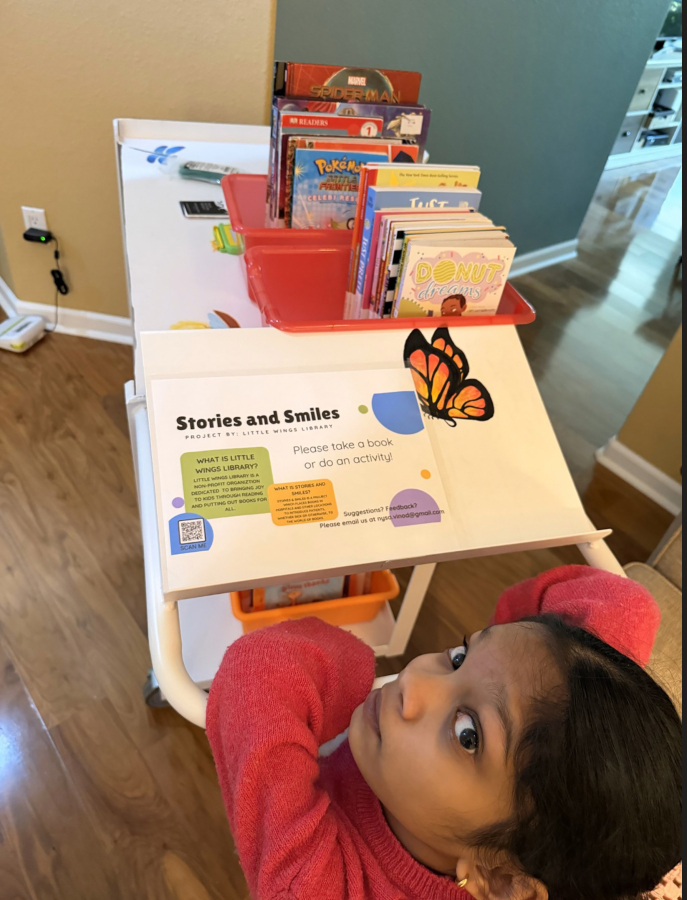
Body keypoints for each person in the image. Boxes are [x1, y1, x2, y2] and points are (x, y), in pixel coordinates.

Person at [207, 566, 682, 900]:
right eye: (459, 657)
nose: (412, 681)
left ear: (498, 879)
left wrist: (355, 674)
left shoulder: (318, 886)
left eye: (467, 734)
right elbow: (627, 604)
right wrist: (515, 660)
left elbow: (258, 671)